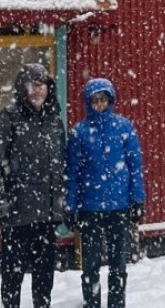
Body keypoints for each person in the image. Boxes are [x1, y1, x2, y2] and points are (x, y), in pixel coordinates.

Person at [0, 63, 66, 308]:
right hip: (17, 212)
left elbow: (61, 162)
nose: (38, 90)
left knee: (44, 274)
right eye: (33, 85)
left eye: (42, 85)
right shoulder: (8, 118)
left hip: (47, 212)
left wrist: (63, 199)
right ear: (23, 88)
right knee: (13, 275)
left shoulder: (53, 120)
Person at [67, 78, 145, 308]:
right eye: (95, 100)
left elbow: (135, 166)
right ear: (88, 102)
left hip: (119, 207)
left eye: (103, 99)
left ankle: (116, 303)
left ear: (110, 100)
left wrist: (138, 199)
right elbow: (72, 172)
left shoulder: (123, 127)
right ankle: (92, 303)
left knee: (118, 264)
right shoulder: (79, 132)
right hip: (90, 208)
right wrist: (71, 206)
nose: (99, 104)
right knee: (90, 266)